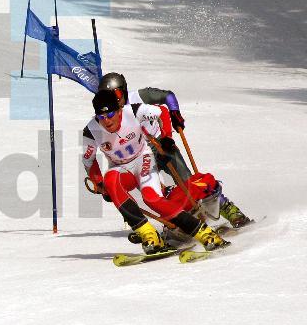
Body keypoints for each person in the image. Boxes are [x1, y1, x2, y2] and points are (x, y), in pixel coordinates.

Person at [96, 72, 251, 228]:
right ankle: (182, 224)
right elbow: (113, 152)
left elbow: (168, 96)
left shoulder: (139, 97)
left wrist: (174, 114)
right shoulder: (106, 118)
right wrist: (110, 188)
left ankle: (228, 209)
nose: (114, 100)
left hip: (161, 144)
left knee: (188, 183)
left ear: (124, 90)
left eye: (116, 94)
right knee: (157, 195)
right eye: (108, 96)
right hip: (139, 157)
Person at [82, 89, 229, 254]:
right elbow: (88, 161)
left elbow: (162, 112)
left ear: (119, 110)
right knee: (110, 179)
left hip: (142, 159)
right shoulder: (91, 131)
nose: (107, 121)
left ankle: (205, 233)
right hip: (121, 168)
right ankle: (149, 235)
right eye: (101, 117)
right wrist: (99, 183)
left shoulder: (133, 111)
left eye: (110, 114)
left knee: (151, 198)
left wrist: (166, 137)